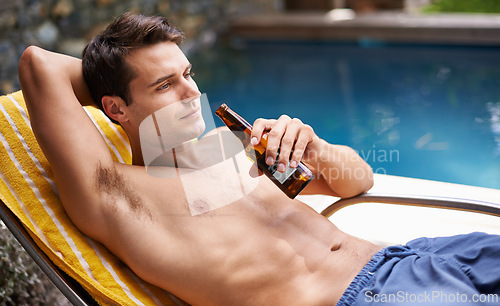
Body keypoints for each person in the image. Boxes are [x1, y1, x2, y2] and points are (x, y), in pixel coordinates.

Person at [18, 12, 500, 306]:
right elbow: (38, 64)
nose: (192, 93)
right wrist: (110, 74)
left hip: (412, 259)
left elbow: (359, 181)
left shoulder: (234, 151)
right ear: (115, 108)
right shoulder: (118, 191)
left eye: (187, 74)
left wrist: (313, 147)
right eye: (166, 85)